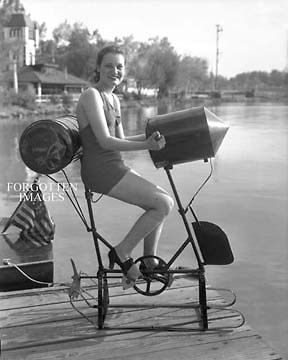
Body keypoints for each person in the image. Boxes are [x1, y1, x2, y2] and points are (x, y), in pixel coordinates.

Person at [76, 45, 174, 284]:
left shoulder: (114, 99)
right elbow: (106, 142)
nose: (115, 71)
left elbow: (121, 139)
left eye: (119, 66)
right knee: (163, 204)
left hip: (114, 166)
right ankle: (121, 252)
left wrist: (154, 137)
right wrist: (147, 146)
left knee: (162, 200)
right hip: (100, 170)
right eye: (109, 65)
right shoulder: (92, 95)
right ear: (98, 68)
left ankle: (149, 262)